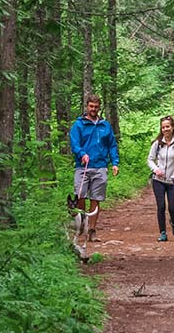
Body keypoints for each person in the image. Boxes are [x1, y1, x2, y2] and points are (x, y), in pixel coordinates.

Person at [68, 94, 120, 243]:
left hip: (100, 166)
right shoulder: (79, 124)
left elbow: (112, 145)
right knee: (80, 197)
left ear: (99, 108)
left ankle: (92, 230)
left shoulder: (105, 125)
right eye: (91, 106)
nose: (93, 109)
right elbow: (75, 143)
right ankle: (81, 226)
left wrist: (115, 162)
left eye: (96, 107)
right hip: (82, 166)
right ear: (87, 106)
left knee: (96, 199)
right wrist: (82, 154)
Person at [147, 115, 174, 242]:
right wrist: (155, 169)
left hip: (173, 180)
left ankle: (173, 223)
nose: (165, 129)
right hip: (158, 180)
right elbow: (150, 160)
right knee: (161, 206)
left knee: (173, 208)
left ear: (172, 127)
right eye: (163, 127)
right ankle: (162, 232)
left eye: (167, 126)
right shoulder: (157, 144)